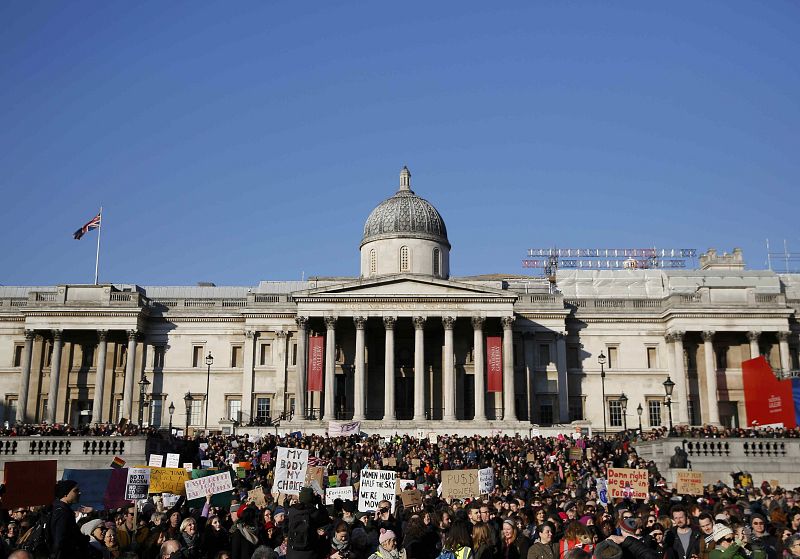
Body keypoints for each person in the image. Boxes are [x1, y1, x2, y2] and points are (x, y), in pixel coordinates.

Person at [49, 479, 89, 559]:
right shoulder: (62, 513)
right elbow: (60, 541)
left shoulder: (60, 510)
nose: (79, 493)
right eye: (76, 490)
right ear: (65, 494)